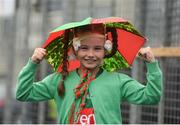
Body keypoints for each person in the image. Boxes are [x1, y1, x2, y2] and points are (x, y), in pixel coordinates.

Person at [16, 23, 162, 124]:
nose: (90, 54)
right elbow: (23, 93)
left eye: (97, 48)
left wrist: (152, 65)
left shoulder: (119, 81)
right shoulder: (59, 79)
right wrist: (32, 64)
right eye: (84, 48)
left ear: (106, 51)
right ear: (75, 50)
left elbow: (151, 97)